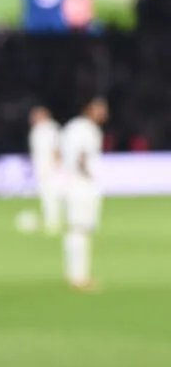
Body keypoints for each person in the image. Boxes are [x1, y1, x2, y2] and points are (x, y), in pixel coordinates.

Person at [60, 97, 108, 291]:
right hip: (81, 185)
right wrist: (88, 175)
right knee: (80, 230)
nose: (104, 113)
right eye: (100, 109)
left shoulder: (74, 126)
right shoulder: (85, 129)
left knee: (77, 229)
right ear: (89, 109)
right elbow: (80, 156)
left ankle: (75, 273)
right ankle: (79, 277)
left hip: (74, 183)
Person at [28, 105, 63, 235]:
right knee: (47, 196)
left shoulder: (51, 129)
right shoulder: (37, 130)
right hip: (42, 169)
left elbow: (56, 148)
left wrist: (57, 166)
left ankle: (53, 223)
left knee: (52, 196)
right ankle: (52, 221)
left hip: (52, 169)